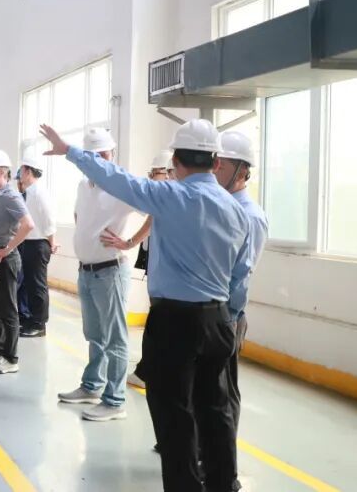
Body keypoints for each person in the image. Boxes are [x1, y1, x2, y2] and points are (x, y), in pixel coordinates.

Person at [41, 119, 250, 492]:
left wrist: (70, 151)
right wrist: (229, 319)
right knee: (215, 409)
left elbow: (116, 178)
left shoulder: (168, 196)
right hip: (218, 320)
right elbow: (241, 272)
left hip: (174, 322)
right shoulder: (237, 210)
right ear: (217, 162)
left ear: (176, 161)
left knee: (175, 415)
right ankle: (223, 484)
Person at [55, 128, 136, 423]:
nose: (99, 161)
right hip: (87, 271)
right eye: (93, 156)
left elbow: (155, 212)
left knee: (115, 338)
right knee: (94, 334)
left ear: (112, 154)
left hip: (110, 271)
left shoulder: (121, 186)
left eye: (103, 155)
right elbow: (80, 216)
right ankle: (92, 386)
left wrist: (129, 242)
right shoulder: (83, 186)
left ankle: (114, 400)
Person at [214, 130, 268, 476]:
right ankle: (201, 447)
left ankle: (223, 464)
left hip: (227, 314)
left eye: (222, 165)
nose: (215, 169)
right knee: (204, 386)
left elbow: (243, 273)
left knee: (223, 391)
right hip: (210, 312)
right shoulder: (221, 207)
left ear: (243, 171)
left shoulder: (251, 215)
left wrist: (229, 317)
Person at [103, 150, 172, 390]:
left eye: (156, 172)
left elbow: (152, 220)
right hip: (162, 266)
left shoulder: (170, 196)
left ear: (169, 172)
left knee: (160, 320)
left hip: (167, 271)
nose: (151, 177)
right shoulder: (174, 196)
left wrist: (130, 243)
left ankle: (148, 371)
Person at [0, 149, 35, 375]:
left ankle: (11, 358)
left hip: (6, 258)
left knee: (8, 309)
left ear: (2, 172)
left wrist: (8, 248)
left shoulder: (11, 196)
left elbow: (28, 225)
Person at [17, 152, 57, 338]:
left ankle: (39, 324)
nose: (20, 173)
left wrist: (52, 241)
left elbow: (48, 219)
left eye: (21, 169)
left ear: (28, 171)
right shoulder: (29, 192)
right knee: (29, 285)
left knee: (38, 285)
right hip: (28, 243)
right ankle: (30, 320)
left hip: (38, 243)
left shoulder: (39, 193)